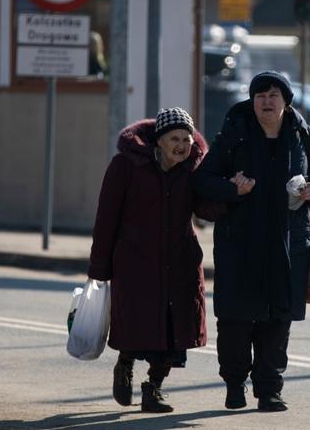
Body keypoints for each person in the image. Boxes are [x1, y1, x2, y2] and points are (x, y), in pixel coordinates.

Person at [193, 71, 310, 412]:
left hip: (288, 244)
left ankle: (269, 390)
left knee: (277, 320)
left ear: (286, 101)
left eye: (273, 95)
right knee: (237, 319)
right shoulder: (234, 133)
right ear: (252, 101)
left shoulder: (301, 134)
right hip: (239, 243)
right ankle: (235, 384)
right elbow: (204, 180)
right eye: (260, 96)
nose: (266, 101)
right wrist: (232, 189)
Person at [88, 107, 224, 413]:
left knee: (173, 330)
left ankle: (154, 388)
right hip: (135, 263)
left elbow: (206, 209)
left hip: (180, 262)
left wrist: (234, 194)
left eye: (186, 139)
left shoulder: (193, 169)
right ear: (158, 141)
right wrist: (99, 267)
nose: (181, 145)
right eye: (174, 138)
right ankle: (125, 363)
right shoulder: (126, 165)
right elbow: (106, 218)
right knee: (136, 325)